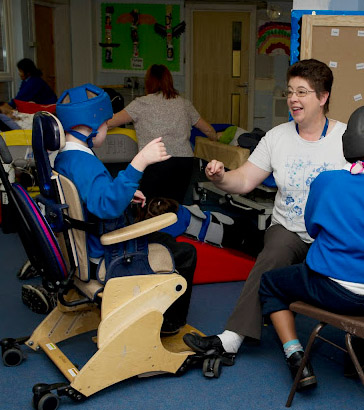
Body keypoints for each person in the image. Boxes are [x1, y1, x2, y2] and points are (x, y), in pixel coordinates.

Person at [183, 59, 347, 357]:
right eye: (289, 92)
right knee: (274, 252)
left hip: (332, 234)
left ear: (323, 97)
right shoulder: (277, 137)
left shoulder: (346, 139)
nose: (293, 99)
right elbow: (244, 179)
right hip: (290, 229)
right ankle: (233, 337)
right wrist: (220, 177)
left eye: (302, 92)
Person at [26, 83, 197, 334]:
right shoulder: (85, 164)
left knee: (161, 239)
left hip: (83, 248)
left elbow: (93, 196)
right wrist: (139, 162)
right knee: (184, 253)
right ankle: (169, 325)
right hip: (105, 254)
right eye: (106, 124)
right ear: (92, 126)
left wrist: (125, 194)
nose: (107, 128)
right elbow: (106, 207)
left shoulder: (65, 158)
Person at [259, 105, 364, 389]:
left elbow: (313, 228)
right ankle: (357, 359)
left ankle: (295, 356)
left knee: (270, 283)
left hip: (333, 288)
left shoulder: (327, 182)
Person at [107, 64, 217, 203]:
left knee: (150, 206)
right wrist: (217, 140)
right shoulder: (184, 103)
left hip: (155, 163)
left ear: (149, 82)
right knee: (174, 206)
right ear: (169, 81)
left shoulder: (140, 104)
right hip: (183, 163)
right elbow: (207, 129)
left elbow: (109, 123)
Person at [138, 197, 264, 257]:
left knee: (254, 244)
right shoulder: (179, 208)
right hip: (222, 220)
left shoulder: (177, 223)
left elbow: (160, 237)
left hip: (226, 233)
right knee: (250, 228)